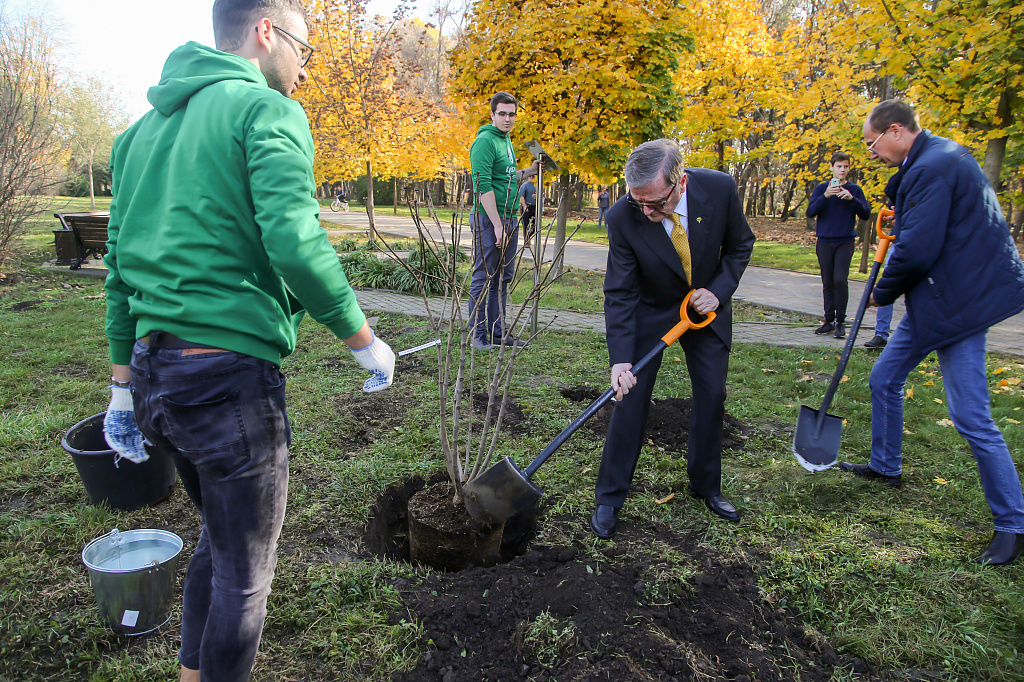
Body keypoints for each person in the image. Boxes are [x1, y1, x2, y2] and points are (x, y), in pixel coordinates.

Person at [100, 2, 397, 680]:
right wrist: (362, 339)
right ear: (266, 33)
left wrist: (121, 388)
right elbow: (293, 239)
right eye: (305, 50)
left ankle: (191, 673)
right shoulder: (265, 110)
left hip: (155, 382)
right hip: (226, 383)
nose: (304, 68)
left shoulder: (137, 134)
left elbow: (117, 274)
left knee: (222, 541)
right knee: (245, 574)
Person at [840, 100, 1024, 566]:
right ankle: (885, 466)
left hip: (958, 306)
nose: (872, 151)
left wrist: (882, 293)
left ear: (896, 130)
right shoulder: (941, 157)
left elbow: (918, 251)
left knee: (971, 416)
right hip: (936, 301)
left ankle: (1013, 524)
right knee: (884, 379)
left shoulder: (931, 169)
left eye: (872, 142)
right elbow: (934, 228)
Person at [591, 139, 755, 538]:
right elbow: (621, 293)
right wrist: (621, 360)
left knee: (712, 394)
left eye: (655, 203)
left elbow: (740, 246)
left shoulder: (719, 188)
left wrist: (718, 290)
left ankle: (705, 486)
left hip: (705, 307)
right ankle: (610, 497)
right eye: (638, 202)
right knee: (630, 397)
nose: (645, 212)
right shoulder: (622, 217)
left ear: (680, 183)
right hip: (651, 310)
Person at [468, 91, 541, 350]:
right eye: (502, 114)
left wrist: (529, 172)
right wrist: (497, 224)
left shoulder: (506, 140)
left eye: (511, 114)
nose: (507, 119)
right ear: (492, 114)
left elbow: (506, 177)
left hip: (510, 218)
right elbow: (483, 184)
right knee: (484, 276)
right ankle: (477, 335)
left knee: (502, 279)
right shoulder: (485, 141)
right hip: (490, 221)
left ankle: (497, 333)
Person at [806, 152, 871, 339]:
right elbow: (811, 212)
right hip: (825, 240)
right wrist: (826, 196)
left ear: (848, 168)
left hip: (845, 240)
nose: (842, 170)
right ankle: (829, 321)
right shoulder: (821, 189)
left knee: (840, 280)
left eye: (845, 166)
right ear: (831, 167)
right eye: (839, 166)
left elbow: (865, 214)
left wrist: (852, 199)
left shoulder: (854, 190)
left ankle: (841, 321)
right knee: (827, 281)